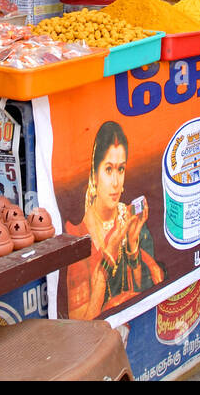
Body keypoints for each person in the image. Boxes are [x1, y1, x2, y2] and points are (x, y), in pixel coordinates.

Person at [64, 121, 164, 319]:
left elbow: (147, 297)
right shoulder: (77, 237)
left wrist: (133, 246)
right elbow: (80, 325)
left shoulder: (132, 221)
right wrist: (108, 257)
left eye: (121, 169)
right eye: (108, 170)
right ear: (94, 175)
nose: (116, 182)